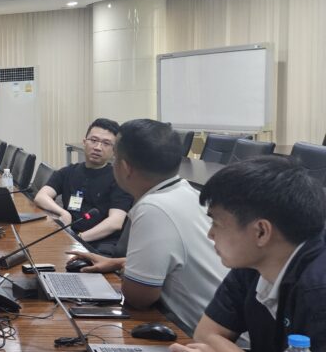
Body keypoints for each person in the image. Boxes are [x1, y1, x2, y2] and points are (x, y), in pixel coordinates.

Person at [169, 156, 326, 352]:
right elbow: (207, 334)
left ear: (261, 232)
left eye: (216, 223)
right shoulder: (254, 262)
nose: (210, 234)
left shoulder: (318, 291)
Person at [67, 119, 227, 332]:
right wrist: (118, 263)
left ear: (125, 167)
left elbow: (139, 298)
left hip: (199, 337)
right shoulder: (185, 191)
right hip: (224, 330)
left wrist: (130, 272)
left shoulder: (153, 208)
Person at [34, 118, 133, 255]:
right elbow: (41, 196)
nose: (98, 147)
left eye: (106, 143)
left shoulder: (119, 179)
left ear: (114, 150)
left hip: (100, 244)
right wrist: (63, 213)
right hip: (70, 236)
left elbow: (115, 222)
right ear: (84, 142)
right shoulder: (68, 172)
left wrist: (78, 238)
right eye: (94, 140)